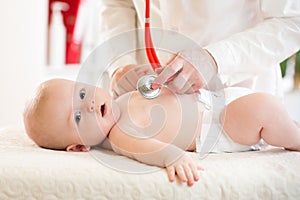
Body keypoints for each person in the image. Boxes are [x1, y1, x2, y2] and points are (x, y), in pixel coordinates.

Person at [23, 78, 300, 186]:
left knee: (274, 112)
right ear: (80, 147)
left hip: (216, 98)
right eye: (79, 116)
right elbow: (146, 149)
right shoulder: (119, 134)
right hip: (220, 124)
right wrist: (174, 158)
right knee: (267, 109)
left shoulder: (119, 101)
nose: (91, 103)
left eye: (82, 93)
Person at [97, 0, 300, 98]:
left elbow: (293, 20)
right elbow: (117, 5)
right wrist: (121, 64)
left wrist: (216, 59)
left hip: (237, 98)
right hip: (148, 104)